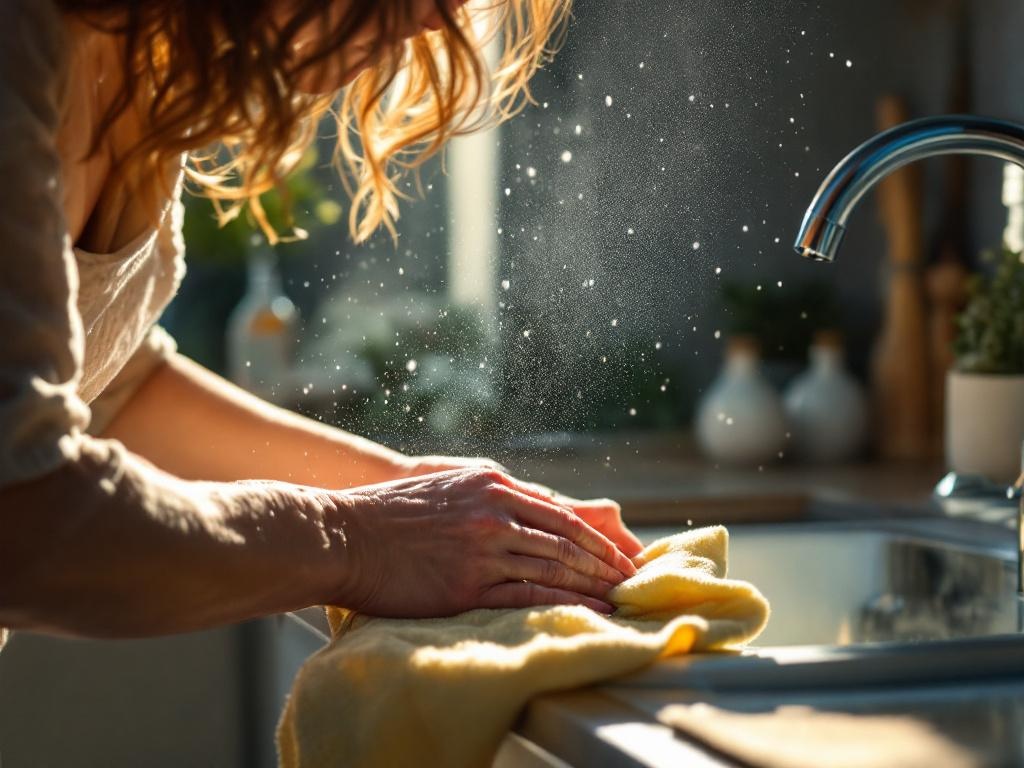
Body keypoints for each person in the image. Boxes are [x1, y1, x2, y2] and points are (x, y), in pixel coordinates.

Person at [0, 0, 644, 648]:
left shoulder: (142, 71)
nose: (437, 19)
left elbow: (112, 390)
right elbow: (20, 516)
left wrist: (420, 497)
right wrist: (356, 542)